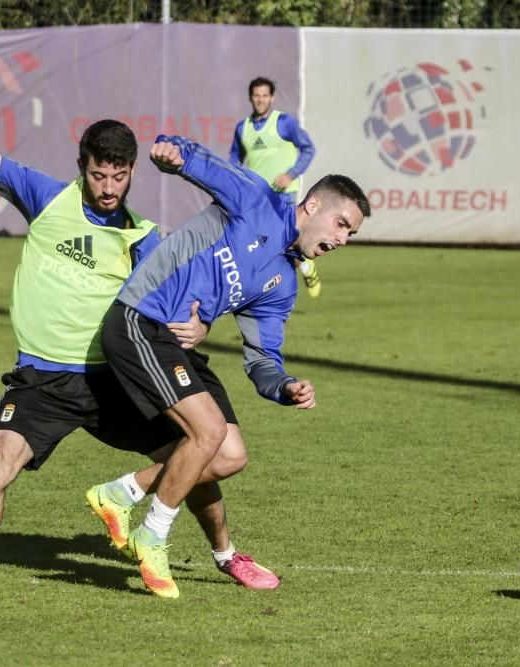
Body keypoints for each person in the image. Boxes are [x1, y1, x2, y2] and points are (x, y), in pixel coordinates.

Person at [0, 71, 279, 601]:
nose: (108, 188)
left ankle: (226, 554)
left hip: (114, 378)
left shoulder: (143, 235)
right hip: (42, 377)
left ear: (133, 171)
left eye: (118, 176)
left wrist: (202, 323)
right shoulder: (45, 197)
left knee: (198, 449)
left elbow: (192, 293)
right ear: (81, 168)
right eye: (98, 176)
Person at [100, 133, 370, 599]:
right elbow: (201, 162)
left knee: (229, 455)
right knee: (205, 434)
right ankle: (152, 534)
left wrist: (284, 386)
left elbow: (262, 358)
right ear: (312, 205)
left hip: (176, 346)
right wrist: (172, 153)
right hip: (138, 319)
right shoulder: (257, 199)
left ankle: (122, 493)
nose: (342, 239)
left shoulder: (282, 283)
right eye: (341, 224)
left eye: (351, 234)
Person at [229, 76, 322, 298]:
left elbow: (308, 149)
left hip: (283, 194)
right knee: (260, 245)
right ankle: (303, 268)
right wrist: (235, 180)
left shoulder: (284, 123)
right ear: (250, 98)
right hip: (255, 197)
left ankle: (288, 282)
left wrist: (290, 174)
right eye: (256, 95)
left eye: (264, 95)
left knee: (281, 240)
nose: (260, 100)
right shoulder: (243, 128)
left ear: (271, 97)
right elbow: (235, 157)